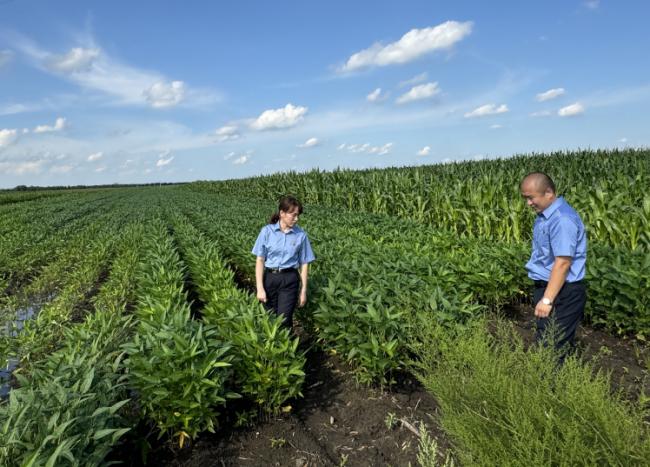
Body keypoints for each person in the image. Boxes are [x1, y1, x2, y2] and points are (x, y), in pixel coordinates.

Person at [520, 172, 587, 360]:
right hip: (551, 287)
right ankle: (545, 383)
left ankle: (550, 387)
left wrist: (547, 300)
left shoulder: (561, 219)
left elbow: (563, 262)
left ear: (548, 192)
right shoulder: (545, 216)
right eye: (525, 198)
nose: (528, 203)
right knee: (546, 340)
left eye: (531, 197)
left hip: (563, 292)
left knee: (553, 345)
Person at [252, 195, 315, 328]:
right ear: (282, 213)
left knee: (284, 320)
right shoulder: (266, 232)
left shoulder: (300, 235)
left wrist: (303, 290)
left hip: (289, 279)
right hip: (270, 278)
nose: (296, 218)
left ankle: (286, 347)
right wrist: (260, 288)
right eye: (293, 215)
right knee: (269, 319)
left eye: (298, 215)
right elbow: (260, 260)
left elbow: (304, 263)